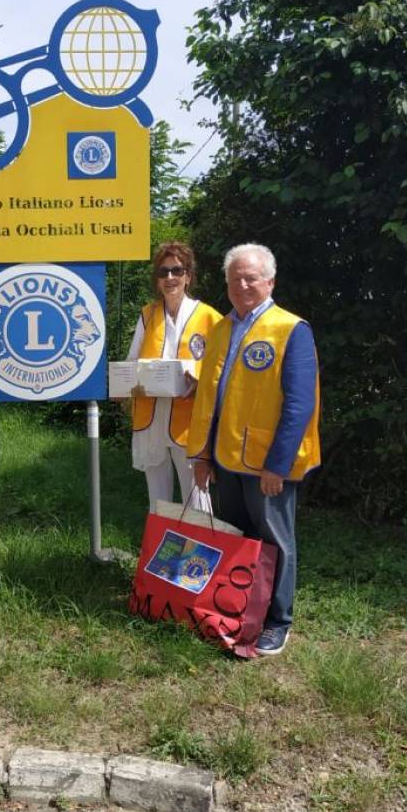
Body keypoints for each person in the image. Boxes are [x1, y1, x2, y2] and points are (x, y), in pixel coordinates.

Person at [187, 243, 320, 656]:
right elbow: (210, 399)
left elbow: (300, 405)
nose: (242, 285)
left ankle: (278, 620)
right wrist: (203, 456)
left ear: (270, 282)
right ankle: (242, 611)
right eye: (235, 278)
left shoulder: (291, 329)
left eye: (251, 278)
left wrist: (278, 465)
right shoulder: (222, 328)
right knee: (238, 540)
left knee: (275, 541)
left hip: (267, 463)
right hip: (226, 458)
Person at [126, 242, 221, 514]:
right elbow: (132, 362)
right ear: (157, 280)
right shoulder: (148, 314)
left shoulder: (210, 317)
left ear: (188, 276)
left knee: (196, 493)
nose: (170, 278)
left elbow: (221, 371)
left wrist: (197, 379)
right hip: (151, 416)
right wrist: (128, 383)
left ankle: (200, 553)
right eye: (163, 272)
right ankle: (159, 552)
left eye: (176, 271)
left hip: (189, 419)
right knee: (158, 497)